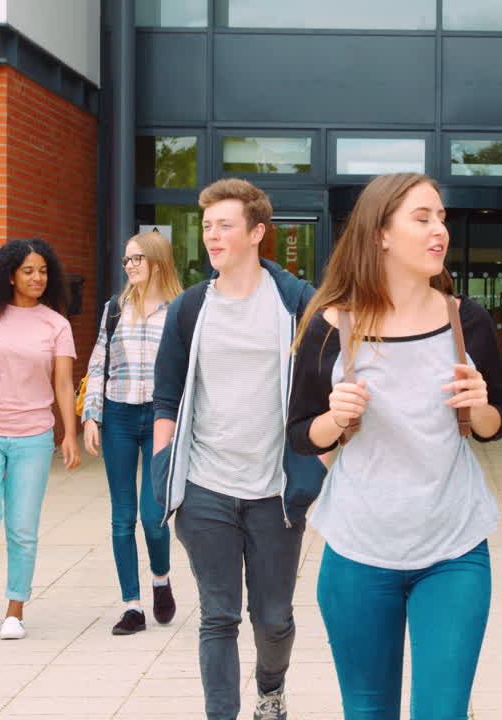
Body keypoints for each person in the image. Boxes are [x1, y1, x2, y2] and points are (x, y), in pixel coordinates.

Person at [286, 172, 502, 720]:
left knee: (443, 711)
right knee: (368, 711)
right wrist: (334, 419)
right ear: (380, 234)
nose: (440, 231)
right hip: (358, 552)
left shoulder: (467, 320)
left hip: (454, 549)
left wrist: (479, 405)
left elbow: (496, 424)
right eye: (422, 218)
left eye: (441, 219)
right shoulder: (331, 326)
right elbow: (299, 434)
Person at [152, 178, 325, 720]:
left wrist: (316, 463)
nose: (212, 235)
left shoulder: (297, 303)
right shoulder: (190, 308)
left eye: (224, 225)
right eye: (207, 226)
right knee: (218, 616)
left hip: (275, 491)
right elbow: (166, 397)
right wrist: (163, 466)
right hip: (205, 488)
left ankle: (270, 690)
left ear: (256, 233)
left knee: (273, 619)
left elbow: (330, 383)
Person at [0, 238, 80, 641]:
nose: (37, 278)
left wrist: (69, 433)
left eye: (43, 271)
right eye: (28, 271)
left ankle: (15, 611)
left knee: (22, 527)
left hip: (34, 435)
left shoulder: (56, 324)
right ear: (10, 276)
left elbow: (63, 383)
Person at [81, 230, 184, 636]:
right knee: (122, 517)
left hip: (161, 418)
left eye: (137, 258)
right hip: (119, 416)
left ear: (157, 261)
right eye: (126, 260)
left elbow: (190, 370)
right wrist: (91, 415)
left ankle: (160, 578)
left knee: (153, 517)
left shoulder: (179, 311)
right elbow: (98, 363)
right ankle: (132, 606)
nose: (130, 266)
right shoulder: (115, 309)